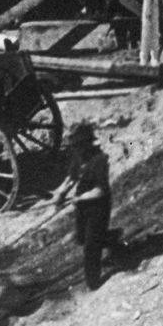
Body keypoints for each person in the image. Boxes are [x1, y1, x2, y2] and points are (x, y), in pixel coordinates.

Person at [62, 121, 115, 289]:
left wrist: (80, 198)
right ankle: (112, 239)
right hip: (83, 208)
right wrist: (60, 194)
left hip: (98, 208)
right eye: (74, 146)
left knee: (91, 246)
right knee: (83, 239)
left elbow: (101, 191)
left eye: (79, 145)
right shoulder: (79, 158)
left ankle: (93, 283)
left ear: (87, 143)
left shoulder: (99, 160)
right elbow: (71, 178)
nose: (77, 149)